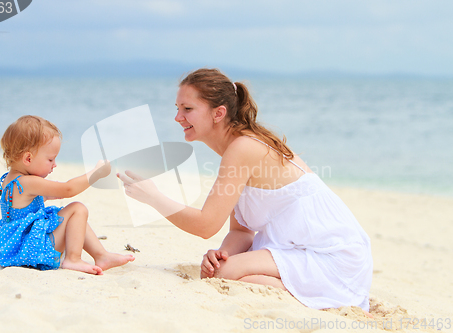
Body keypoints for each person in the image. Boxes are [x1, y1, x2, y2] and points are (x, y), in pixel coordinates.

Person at [117, 68, 372, 311]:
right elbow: (242, 231)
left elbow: (206, 225)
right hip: (300, 249)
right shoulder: (235, 149)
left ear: (218, 113)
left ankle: (328, 299)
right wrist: (223, 254)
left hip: (331, 255)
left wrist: (153, 197)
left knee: (225, 275)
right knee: (222, 270)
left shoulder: (243, 148)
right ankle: (315, 294)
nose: (177, 117)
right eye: (177, 109)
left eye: (188, 109)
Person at [0, 115, 135, 275]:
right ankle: (73, 259)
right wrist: (96, 173)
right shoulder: (27, 182)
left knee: (68, 217)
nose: (54, 165)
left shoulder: (9, 180)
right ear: (28, 158)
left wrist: (46, 197)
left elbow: (21, 206)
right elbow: (68, 189)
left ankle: (102, 256)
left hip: (20, 246)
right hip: (33, 248)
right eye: (50, 159)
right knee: (77, 209)